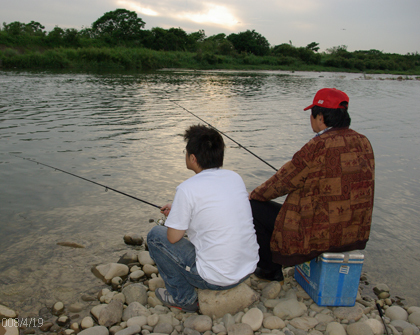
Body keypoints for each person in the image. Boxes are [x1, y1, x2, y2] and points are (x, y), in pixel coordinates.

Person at [249, 88, 375, 282]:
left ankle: (269, 269)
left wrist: (255, 194)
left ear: (320, 117)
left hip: (319, 234)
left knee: (252, 208)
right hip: (351, 233)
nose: (311, 119)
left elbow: (282, 182)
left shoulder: (318, 145)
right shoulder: (363, 142)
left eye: (312, 114)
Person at [147, 124, 259, 313]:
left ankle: (183, 298)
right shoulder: (234, 178)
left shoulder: (187, 188)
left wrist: (174, 218)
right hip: (247, 269)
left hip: (218, 279)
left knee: (155, 236)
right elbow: (214, 206)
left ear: (192, 157)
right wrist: (178, 210)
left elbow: (173, 238)